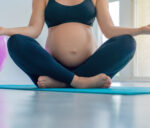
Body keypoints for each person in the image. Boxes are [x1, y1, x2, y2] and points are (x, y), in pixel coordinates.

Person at [0, 0, 149, 89]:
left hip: (88, 66)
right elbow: (34, 30)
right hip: (52, 67)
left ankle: (63, 82)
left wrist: (140, 30)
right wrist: (5, 30)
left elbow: (109, 30)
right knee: (16, 41)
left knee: (127, 43)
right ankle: (78, 81)